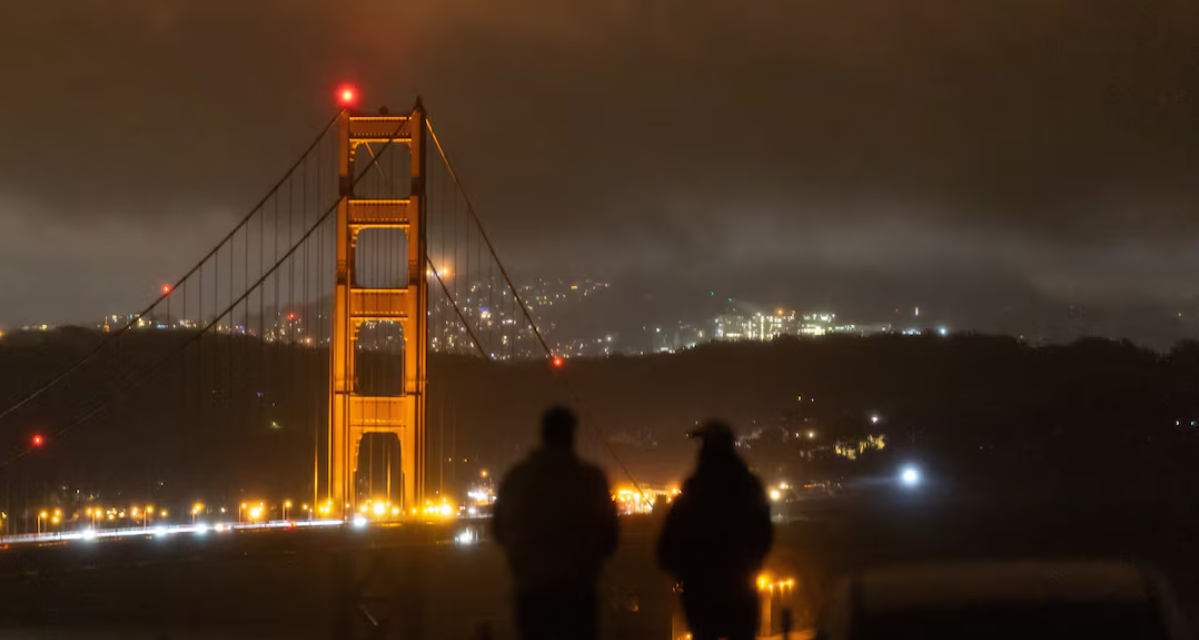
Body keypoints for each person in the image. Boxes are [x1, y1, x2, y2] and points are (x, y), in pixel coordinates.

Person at [494, 406, 619, 640]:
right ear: (573, 434)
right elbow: (610, 539)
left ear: (542, 434)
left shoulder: (517, 478)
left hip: (532, 596)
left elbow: (498, 531)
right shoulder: (591, 480)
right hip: (579, 596)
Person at [658, 421, 773, 640]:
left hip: (702, 593)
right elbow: (765, 536)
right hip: (740, 589)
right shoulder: (749, 486)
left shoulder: (695, 488)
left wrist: (682, 572)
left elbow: (668, 543)